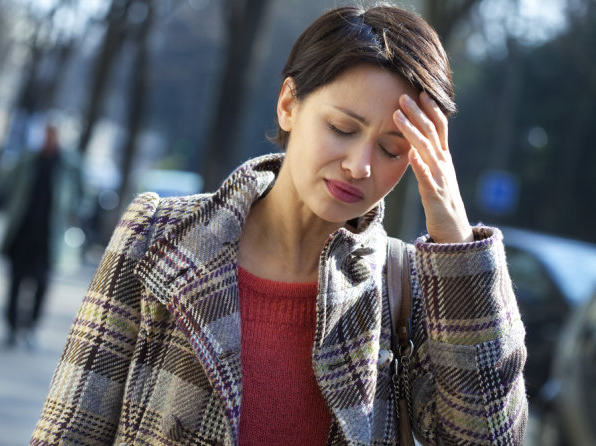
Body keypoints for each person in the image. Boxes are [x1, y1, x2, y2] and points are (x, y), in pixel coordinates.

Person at [30, 4, 527, 445]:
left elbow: (487, 438)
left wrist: (456, 241)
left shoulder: (408, 288)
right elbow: (71, 429)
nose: (360, 165)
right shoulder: (157, 237)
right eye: (342, 128)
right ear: (289, 103)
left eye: (392, 149)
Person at [0, 124, 82, 348]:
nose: (49, 139)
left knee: (42, 285)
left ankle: (32, 327)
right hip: (22, 234)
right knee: (15, 282)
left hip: (48, 239)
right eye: (46, 134)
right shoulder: (26, 162)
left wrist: (79, 215)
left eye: (54, 135)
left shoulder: (68, 167)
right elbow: (4, 190)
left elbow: (82, 198)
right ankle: (12, 327)